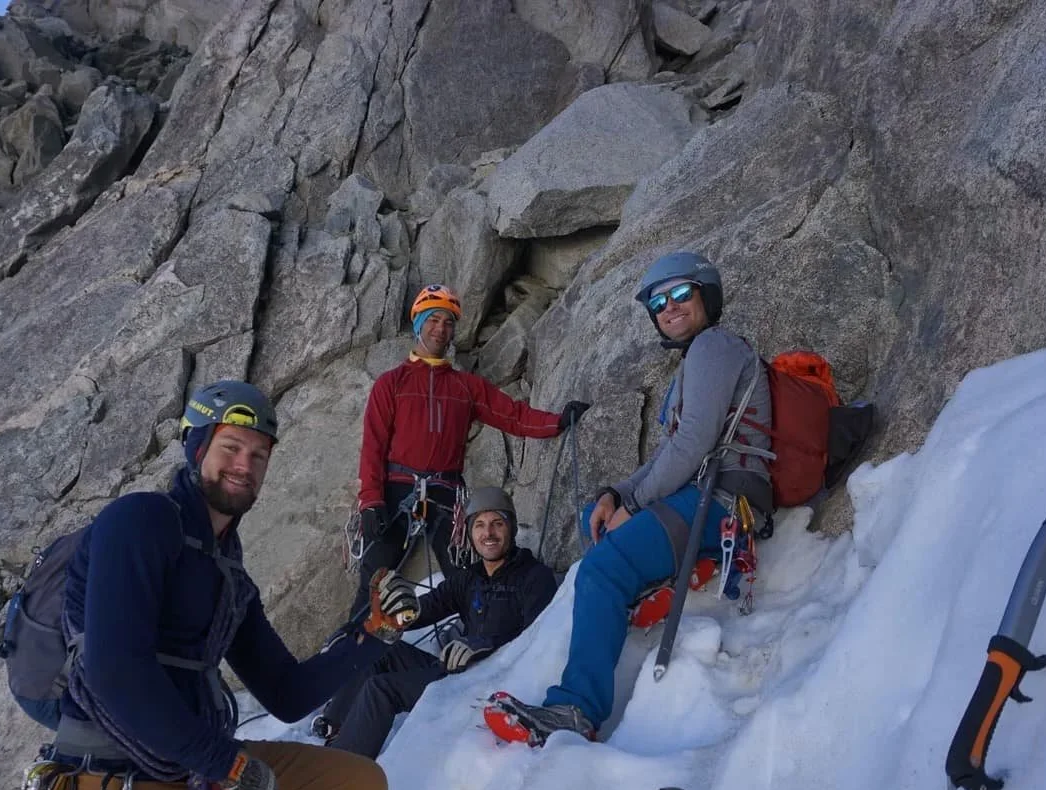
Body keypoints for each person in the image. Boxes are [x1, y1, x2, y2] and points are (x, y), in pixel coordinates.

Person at [30, 380, 418, 790]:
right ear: (196, 448)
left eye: (259, 454)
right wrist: (227, 762)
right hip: (111, 786)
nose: (245, 465)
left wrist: (370, 634)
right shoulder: (140, 522)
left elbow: (287, 692)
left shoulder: (227, 571)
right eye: (231, 448)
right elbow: (113, 671)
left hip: (194, 777)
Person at [482, 252, 773, 746]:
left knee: (600, 568)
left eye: (682, 293)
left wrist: (633, 507)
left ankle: (576, 709)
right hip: (706, 497)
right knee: (594, 519)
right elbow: (671, 453)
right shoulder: (698, 360)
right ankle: (670, 576)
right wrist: (615, 494)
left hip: (723, 502)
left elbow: (691, 446)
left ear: (708, 295)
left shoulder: (714, 347)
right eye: (659, 301)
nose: (670, 306)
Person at [349, 283, 590, 616]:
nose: (441, 329)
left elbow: (513, 415)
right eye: (433, 320)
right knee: (377, 580)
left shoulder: (466, 387)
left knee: (462, 576)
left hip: (445, 491)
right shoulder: (391, 384)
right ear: (418, 323)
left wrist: (559, 422)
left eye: (448, 323)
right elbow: (373, 446)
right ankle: (357, 656)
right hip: (395, 490)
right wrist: (371, 502)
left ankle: (472, 643)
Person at [315, 487, 556, 758]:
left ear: (510, 527)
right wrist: (383, 618)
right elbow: (424, 609)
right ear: (470, 533)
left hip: (489, 681)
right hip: (456, 669)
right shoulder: (470, 579)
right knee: (382, 650)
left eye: (497, 524)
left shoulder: (534, 577)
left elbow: (538, 640)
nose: (488, 534)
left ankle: (344, 770)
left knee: (381, 689)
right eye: (479, 525)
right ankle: (333, 726)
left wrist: (485, 645)